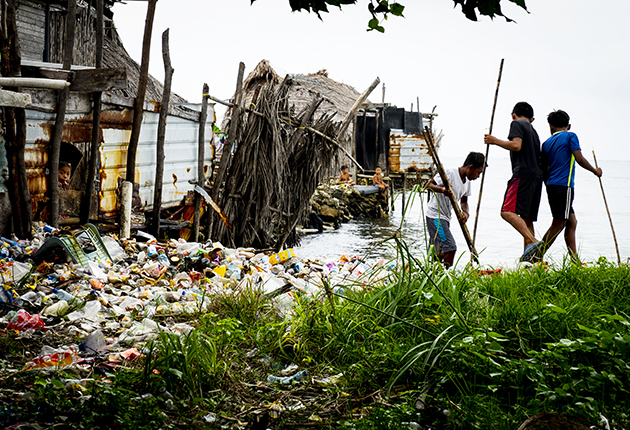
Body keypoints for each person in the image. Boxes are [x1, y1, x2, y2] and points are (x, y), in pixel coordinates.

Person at [536, 110, 602, 264]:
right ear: (569, 126)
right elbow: (579, 158)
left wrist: (549, 186)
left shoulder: (546, 143)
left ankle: (575, 262)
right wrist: (595, 171)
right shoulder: (571, 136)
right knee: (559, 223)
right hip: (564, 186)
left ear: (550, 127)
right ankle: (536, 256)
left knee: (571, 221)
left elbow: (544, 169)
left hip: (552, 186)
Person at [484, 101, 544, 262]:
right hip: (537, 178)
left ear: (513, 115)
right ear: (532, 119)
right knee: (526, 218)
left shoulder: (517, 123)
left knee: (506, 211)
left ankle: (533, 241)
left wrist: (494, 140)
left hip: (522, 174)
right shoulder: (534, 131)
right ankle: (530, 262)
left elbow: (516, 146)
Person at [426, 152, 485, 268]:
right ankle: (446, 274)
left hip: (445, 217)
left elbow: (464, 201)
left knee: (438, 248)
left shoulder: (467, 182)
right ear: (471, 167)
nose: (478, 176)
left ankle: (434, 273)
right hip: (435, 216)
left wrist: (466, 213)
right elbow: (429, 185)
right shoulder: (449, 173)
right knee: (450, 246)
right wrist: (442, 190)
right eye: (478, 173)